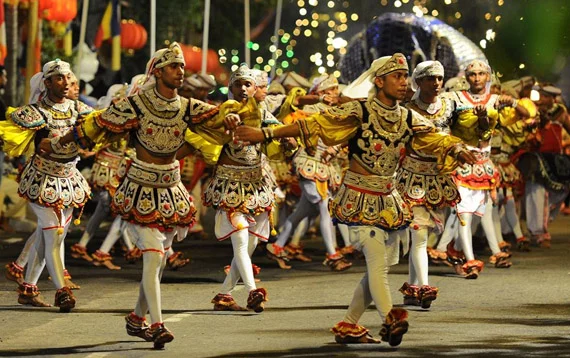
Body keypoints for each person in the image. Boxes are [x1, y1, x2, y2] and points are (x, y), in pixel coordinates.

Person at [234, 53, 476, 345]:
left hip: (389, 197)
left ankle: (349, 324)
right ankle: (389, 318)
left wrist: (456, 147)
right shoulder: (359, 111)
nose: (403, 82)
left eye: (404, 76)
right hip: (359, 196)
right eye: (397, 77)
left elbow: (433, 137)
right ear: (380, 81)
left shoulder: (407, 115)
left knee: (384, 262)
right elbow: (315, 125)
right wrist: (265, 132)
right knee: (376, 260)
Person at [42, 43, 232, 349]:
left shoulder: (187, 106)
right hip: (139, 190)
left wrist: (233, 118)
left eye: (182, 66)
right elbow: (96, 124)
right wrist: (57, 143)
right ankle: (157, 324)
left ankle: (136, 319)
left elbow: (219, 119)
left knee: (155, 264)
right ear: (157, 71)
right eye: (174, 66)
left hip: (172, 191)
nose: (180, 72)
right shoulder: (136, 104)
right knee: (153, 258)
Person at [0, 59, 93, 312]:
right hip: (41, 180)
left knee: (45, 236)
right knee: (53, 234)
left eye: (68, 77)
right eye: (59, 78)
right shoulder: (36, 112)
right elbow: (27, 140)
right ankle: (61, 290)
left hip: (70, 180)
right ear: (48, 82)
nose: (65, 83)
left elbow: (95, 132)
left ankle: (28, 287)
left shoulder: (79, 109)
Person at [202, 63, 295, 313]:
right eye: (238, 84)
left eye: (248, 84)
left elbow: (278, 132)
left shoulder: (263, 113)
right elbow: (212, 129)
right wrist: (227, 121)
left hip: (257, 186)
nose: (243, 88)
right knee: (241, 243)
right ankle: (253, 292)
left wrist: (288, 139)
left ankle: (224, 295)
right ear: (230, 88)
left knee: (249, 246)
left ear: (254, 89)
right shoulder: (224, 111)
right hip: (230, 187)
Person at [395, 61, 458, 308]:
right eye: (430, 78)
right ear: (418, 82)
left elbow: (469, 130)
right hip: (412, 178)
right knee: (419, 235)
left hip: (439, 178)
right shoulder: (406, 110)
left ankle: (412, 288)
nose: (436, 83)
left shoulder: (450, 105)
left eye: (440, 78)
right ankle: (423, 287)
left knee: (420, 237)